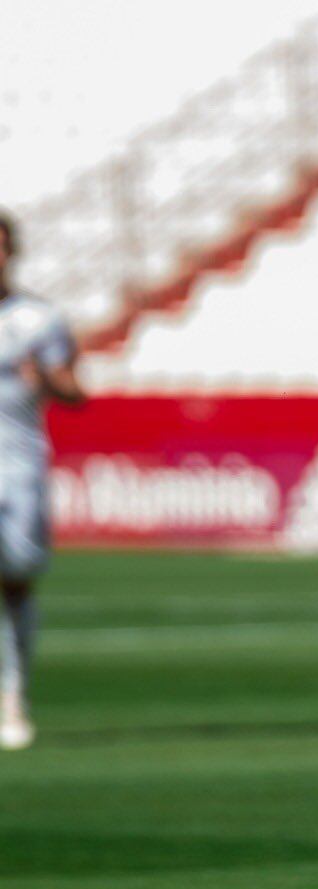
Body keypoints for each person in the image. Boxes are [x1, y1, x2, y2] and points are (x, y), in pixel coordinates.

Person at [0, 211, 86, 750]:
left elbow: (77, 391)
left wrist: (52, 381)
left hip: (20, 466)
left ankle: (14, 692)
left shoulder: (38, 318)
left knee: (17, 579)